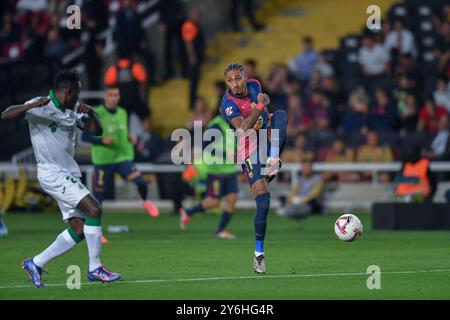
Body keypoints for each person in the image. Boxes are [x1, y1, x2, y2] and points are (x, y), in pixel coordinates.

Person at [1, 69, 120, 287]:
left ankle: (35, 263)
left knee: (80, 229)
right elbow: (6, 114)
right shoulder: (41, 105)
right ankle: (95, 268)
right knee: (94, 209)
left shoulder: (74, 109)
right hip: (52, 173)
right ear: (67, 91)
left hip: (69, 172)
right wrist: (30, 107)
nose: (79, 96)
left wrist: (92, 112)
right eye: (77, 92)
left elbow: (97, 131)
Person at [220, 63, 288, 273]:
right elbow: (241, 129)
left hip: (267, 144)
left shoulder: (255, 85)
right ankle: (259, 254)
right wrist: (260, 107)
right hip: (249, 150)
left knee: (280, 115)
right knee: (263, 199)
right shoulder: (228, 104)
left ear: (245, 77)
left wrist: (265, 114)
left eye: (238, 78)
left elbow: (265, 113)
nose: (235, 84)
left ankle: (273, 159)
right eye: (230, 80)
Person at [82, 86, 160, 243]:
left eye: (116, 95)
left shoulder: (123, 112)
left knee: (141, 182)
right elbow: (85, 137)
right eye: (110, 95)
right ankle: (96, 233)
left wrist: (129, 137)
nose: (113, 98)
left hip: (122, 158)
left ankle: (144, 200)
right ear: (105, 96)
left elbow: (121, 132)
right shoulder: (97, 113)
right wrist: (101, 140)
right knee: (98, 199)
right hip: (103, 162)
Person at [179, 105, 238, 239]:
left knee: (232, 199)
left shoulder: (233, 125)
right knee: (214, 202)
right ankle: (187, 212)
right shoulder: (216, 125)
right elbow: (206, 146)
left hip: (229, 170)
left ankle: (221, 230)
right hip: (216, 170)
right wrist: (225, 154)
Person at [181, 7, 205, 110]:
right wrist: (192, 56)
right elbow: (188, 42)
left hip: (197, 57)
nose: (198, 17)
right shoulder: (189, 25)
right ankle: (192, 103)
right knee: (193, 80)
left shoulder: (195, 25)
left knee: (196, 79)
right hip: (193, 58)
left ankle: (194, 101)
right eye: (196, 15)